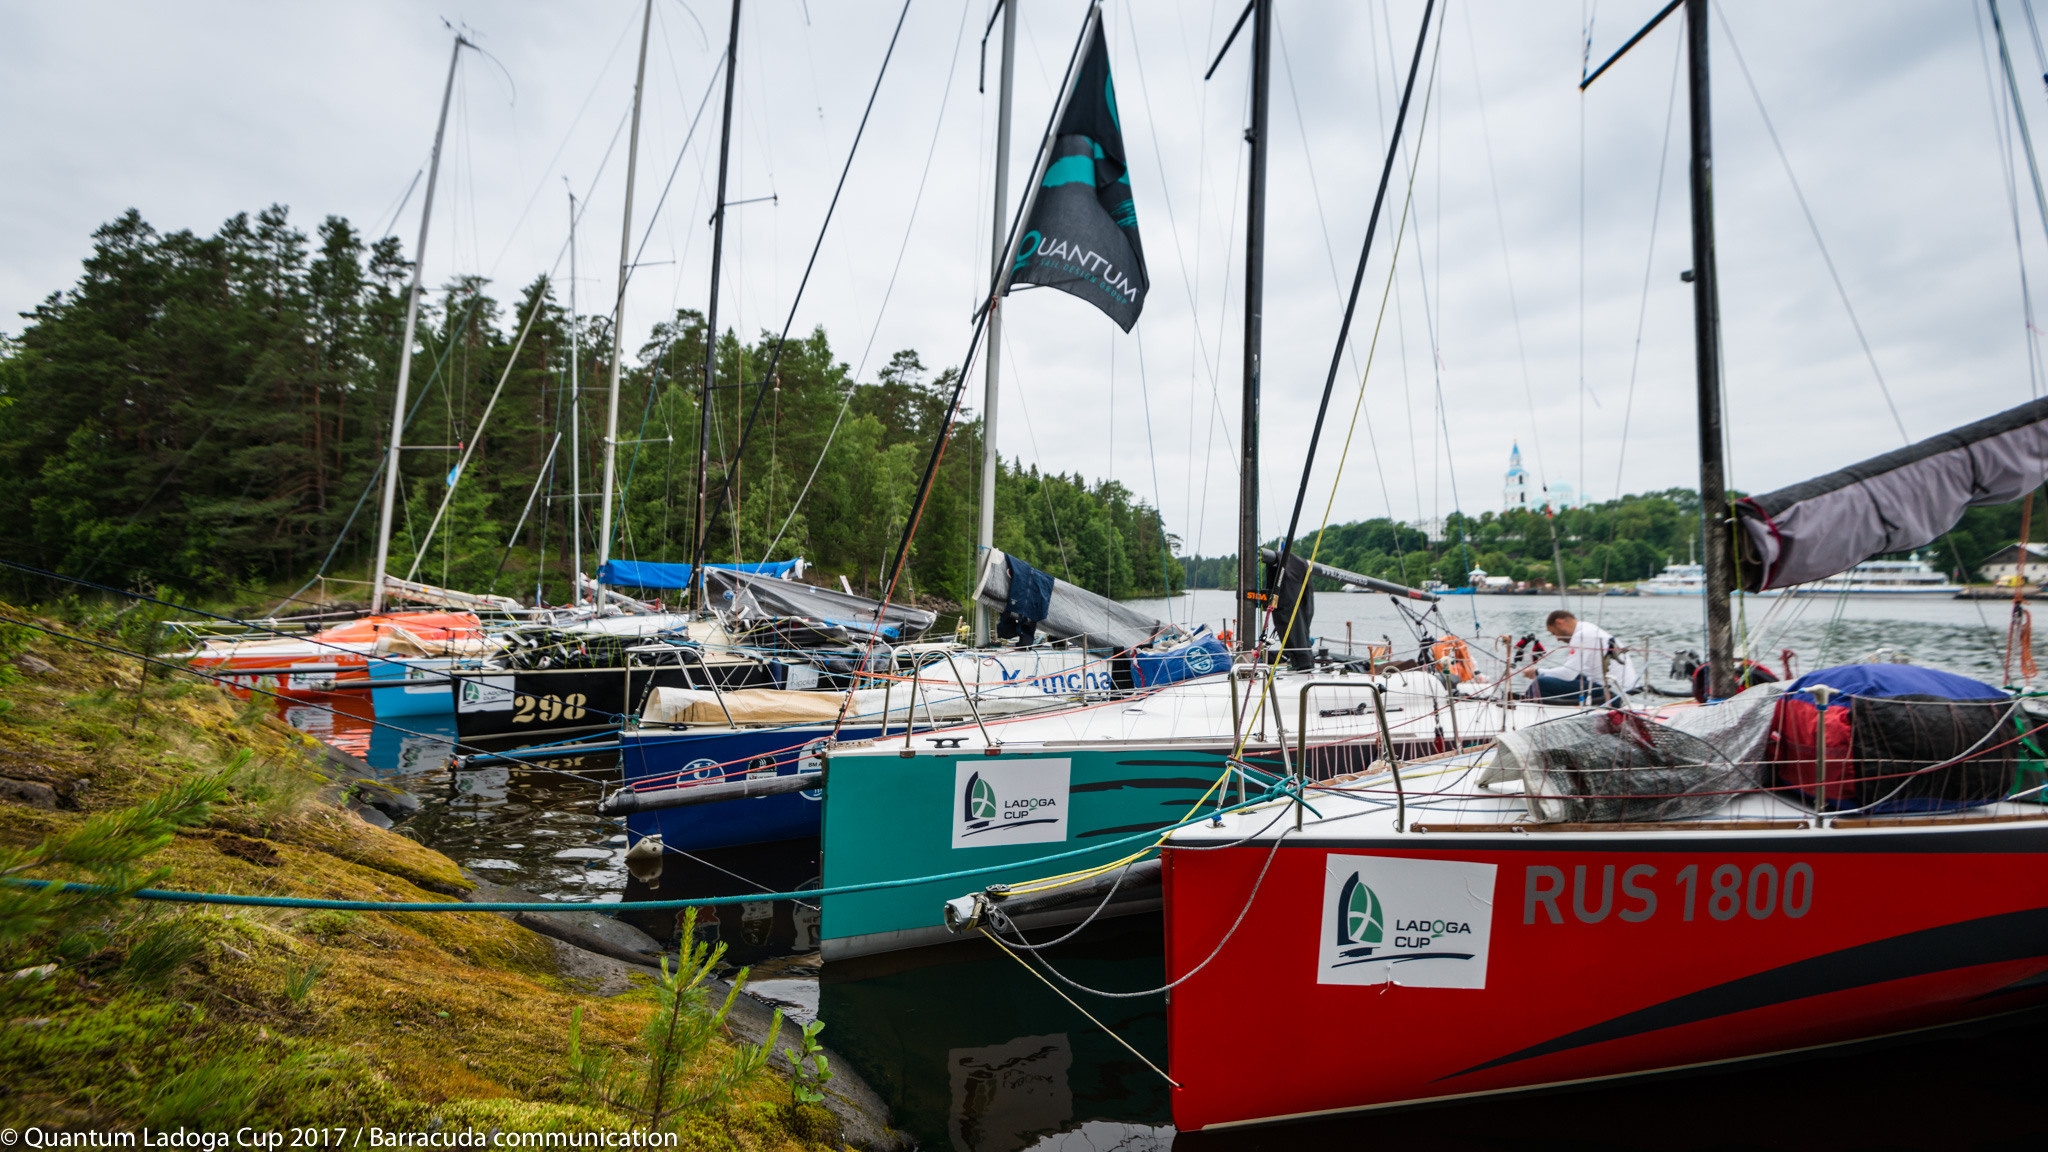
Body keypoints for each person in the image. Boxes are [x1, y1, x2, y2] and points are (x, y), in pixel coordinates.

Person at [1519, 609, 1640, 704]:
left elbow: (1568, 674)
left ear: (1559, 623)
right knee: (1551, 674)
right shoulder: (1588, 628)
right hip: (1619, 687)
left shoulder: (1582, 635)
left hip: (1612, 692)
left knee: (1540, 683)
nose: (1558, 639)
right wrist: (1543, 671)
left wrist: (1537, 672)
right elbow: (1573, 673)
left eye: (1554, 633)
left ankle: (1526, 707)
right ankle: (1536, 702)